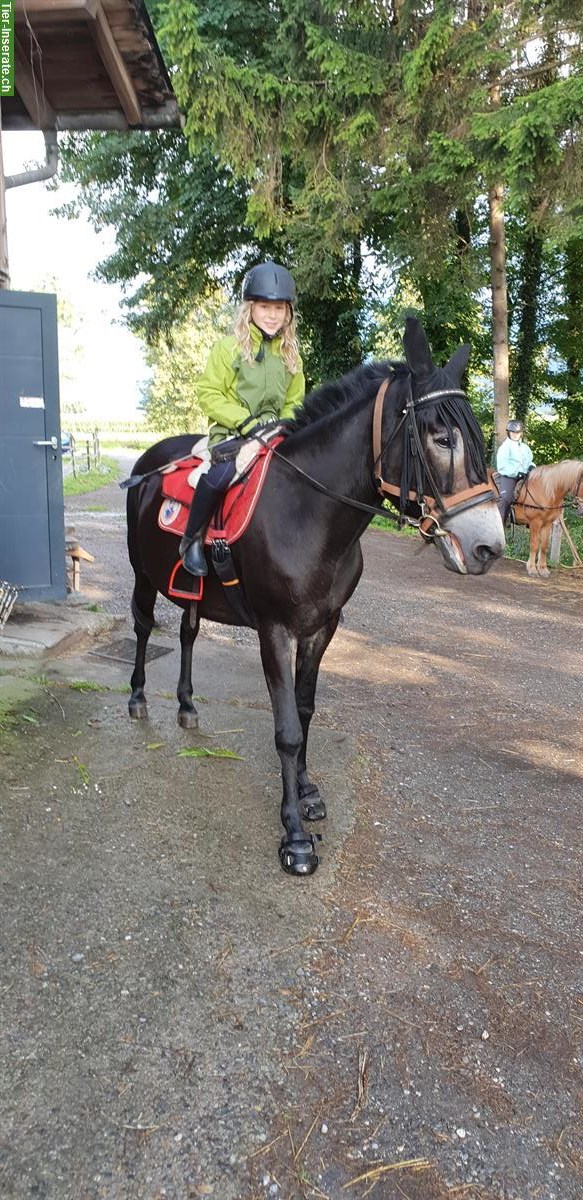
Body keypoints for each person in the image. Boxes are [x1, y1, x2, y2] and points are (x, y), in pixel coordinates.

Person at [179, 261, 305, 576]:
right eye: (265, 306)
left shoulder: (291, 356)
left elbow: (295, 401)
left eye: (279, 307)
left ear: (288, 312)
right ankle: (191, 539)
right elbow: (209, 393)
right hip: (233, 434)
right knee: (220, 476)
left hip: (276, 435)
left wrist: (282, 424)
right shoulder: (228, 348)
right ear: (250, 307)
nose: (273, 314)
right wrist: (245, 422)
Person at [496, 419, 534, 523]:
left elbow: (530, 461)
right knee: (505, 498)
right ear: (508, 432)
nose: (515, 435)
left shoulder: (525, 448)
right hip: (509, 477)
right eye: (513, 432)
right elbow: (502, 466)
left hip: (525, 476)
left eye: (517, 432)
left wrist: (531, 466)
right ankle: (500, 522)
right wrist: (516, 472)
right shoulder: (505, 447)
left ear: (521, 433)